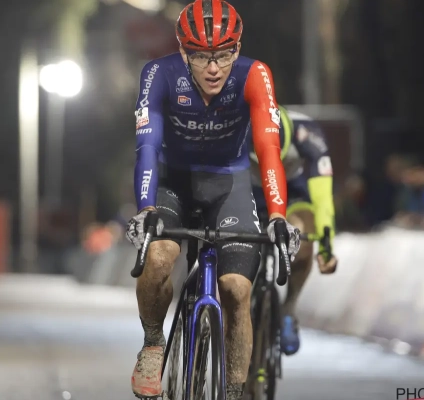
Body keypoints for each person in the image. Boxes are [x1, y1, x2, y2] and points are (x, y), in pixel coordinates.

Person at [123, 1, 301, 399]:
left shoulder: (255, 74)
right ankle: (153, 344)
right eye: (202, 56)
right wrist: (146, 208)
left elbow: (268, 149)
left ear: (237, 49)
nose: (214, 67)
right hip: (173, 182)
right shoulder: (159, 74)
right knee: (158, 258)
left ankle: (234, 392)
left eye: (223, 54)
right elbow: (147, 146)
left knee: (236, 289)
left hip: (228, 184)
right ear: (183, 51)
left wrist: (277, 215)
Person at [248, 106, 338, 356]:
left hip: (291, 195)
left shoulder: (307, 133)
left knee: (304, 237)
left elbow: (323, 197)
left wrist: (326, 245)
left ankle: (289, 307)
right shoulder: (236, 127)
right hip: (249, 193)